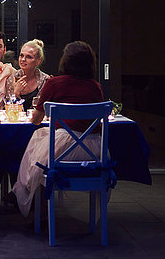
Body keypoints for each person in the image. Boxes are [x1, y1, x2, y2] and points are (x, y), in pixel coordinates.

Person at [12, 41, 105, 217]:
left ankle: (32, 205)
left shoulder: (55, 83)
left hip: (63, 151)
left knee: (37, 155)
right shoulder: (95, 86)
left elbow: (36, 120)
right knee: (40, 144)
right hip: (94, 151)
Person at [5, 39, 50, 112]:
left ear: (38, 61)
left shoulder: (45, 80)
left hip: (38, 122)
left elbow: (42, 109)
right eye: (21, 55)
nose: (23, 59)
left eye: (29, 57)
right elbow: (9, 110)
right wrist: (16, 93)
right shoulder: (12, 78)